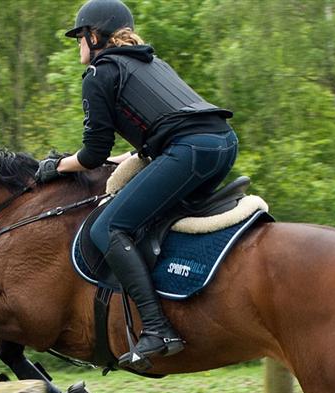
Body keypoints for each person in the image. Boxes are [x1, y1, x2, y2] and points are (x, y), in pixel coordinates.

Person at [36, 0, 238, 371]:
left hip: (189, 151)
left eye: (80, 37)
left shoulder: (100, 73)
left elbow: (93, 154)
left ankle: (158, 329)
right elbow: (155, 133)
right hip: (222, 144)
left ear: (95, 36)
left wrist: (56, 166)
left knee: (108, 227)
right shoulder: (150, 62)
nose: (78, 45)